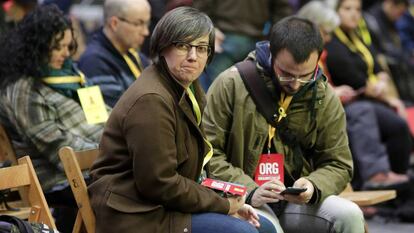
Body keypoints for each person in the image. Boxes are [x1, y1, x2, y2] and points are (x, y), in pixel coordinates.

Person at [88, 7, 277, 233]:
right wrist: (223, 205)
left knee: (264, 226)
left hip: (166, 205)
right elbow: (159, 183)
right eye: (183, 46)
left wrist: (225, 202)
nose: (192, 56)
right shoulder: (152, 99)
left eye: (201, 48)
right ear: (162, 46)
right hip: (136, 212)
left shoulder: (186, 85)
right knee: (242, 231)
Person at [203, 16, 365, 233]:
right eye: (286, 75)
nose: (296, 84)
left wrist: (313, 186)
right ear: (271, 54)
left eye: (305, 76)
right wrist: (251, 190)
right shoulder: (230, 84)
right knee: (271, 228)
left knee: (350, 215)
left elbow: (339, 164)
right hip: (243, 199)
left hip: (295, 201)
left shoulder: (323, 96)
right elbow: (208, 155)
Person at [0, 5, 105, 232]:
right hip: (61, 176)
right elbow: (57, 147)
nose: (66, 53)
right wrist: (114, 152)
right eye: (56, 47)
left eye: (67, 45)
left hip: (95, 164)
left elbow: (107, 115)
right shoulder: (24, 90)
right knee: (132, 185)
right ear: (36, 48)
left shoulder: (72, 76)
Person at [325, 0, 412, 190]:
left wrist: (382, 80)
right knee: (367, 112)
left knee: (398, 125)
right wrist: (387, 97)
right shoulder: (332, 41)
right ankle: (376, 175)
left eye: (357, 9)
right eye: (347, 9)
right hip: (348, 103)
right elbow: (354, 79)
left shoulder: (358, 36)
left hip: (370, 99)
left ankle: (401, 185)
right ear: (336, 12)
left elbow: (378, 65)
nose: (354, 14)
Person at [193, 0, 292, 90]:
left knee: (212, 92)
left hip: (226, 36)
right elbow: (282, 10)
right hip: (248, 39)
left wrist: (208, 28)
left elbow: (201, 5)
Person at [78, 0, 151, 107]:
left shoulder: (134, 55)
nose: (146, 32)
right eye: (138, 23)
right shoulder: (94, 62)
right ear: (114, 24)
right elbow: (118, 114)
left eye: (147, 24)